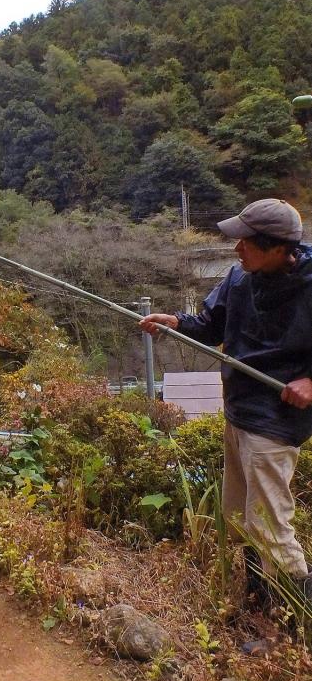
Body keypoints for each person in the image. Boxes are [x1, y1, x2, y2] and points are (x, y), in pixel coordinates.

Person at [140, 198, 312, 602]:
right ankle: (259, 601)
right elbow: (209, 324)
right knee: (238, 517)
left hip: (277, 420)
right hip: (239, 411)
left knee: (268, 525)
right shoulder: (239, 278)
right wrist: (177, 322)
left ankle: (292, 625)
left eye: (245, 242)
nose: (236, 249)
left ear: (277, 248)